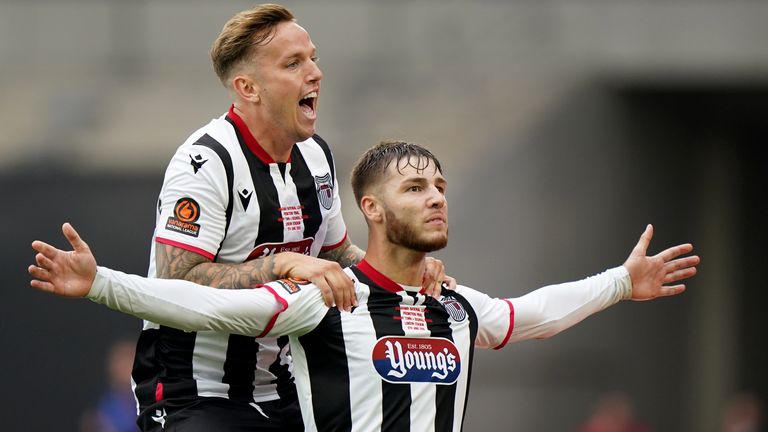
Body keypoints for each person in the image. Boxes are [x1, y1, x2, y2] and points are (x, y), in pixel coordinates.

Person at [29, 140, 700, 431]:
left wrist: (621, 282)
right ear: (371, 210)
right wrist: (99, 285)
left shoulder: (456, 304)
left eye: (440, 185)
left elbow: (534, 314)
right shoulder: (328, 298)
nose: (436, 198)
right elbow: (208, 305)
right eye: (415, 187)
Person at [132, 4, 447, 431]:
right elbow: (172, 283)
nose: (315, 72)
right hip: (194, 392)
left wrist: (408, 271)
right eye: (293, 63)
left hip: (287, 387)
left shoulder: (317, 157)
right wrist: (281, 263)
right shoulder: (206, 161)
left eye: (313, 57)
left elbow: (339, 257)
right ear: (248, 87)